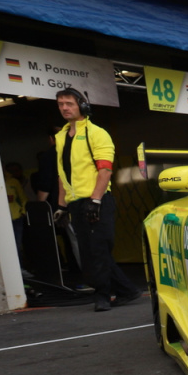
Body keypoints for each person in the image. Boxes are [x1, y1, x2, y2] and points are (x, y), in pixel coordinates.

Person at [53, 87, 140, 311]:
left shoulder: (96, 133)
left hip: (97, 200)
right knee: (89, 252)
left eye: (69, 104)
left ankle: (103, 295)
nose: (64, 108)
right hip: (75, 203)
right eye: (61, 104)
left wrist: (96, 200)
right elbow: (62, 174)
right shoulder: (61, 137)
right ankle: (127, 290)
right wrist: (62, 205)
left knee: (98, 250)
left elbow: (105, 170)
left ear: (82, 106)